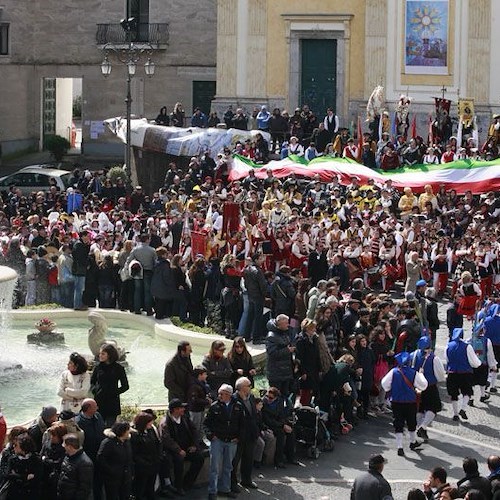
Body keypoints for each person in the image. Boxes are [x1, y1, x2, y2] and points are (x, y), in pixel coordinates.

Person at [381, 352, 428, 456]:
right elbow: (423, 386)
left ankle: (399, 446)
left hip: (396, 401)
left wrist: (391, 389)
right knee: (411, 422)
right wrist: (421, 374)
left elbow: (384, 384)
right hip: (410, 402)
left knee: (398, 423)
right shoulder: (413, 373)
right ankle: (412, 442)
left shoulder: (393, 372)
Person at [204, 384, 245, 500]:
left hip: (232, 441)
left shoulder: (238, 406)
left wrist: (239, 437)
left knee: (228, 467)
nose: (219, 396)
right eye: (219, 393)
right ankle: (212, 491)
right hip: (218, 441)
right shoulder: (214, 407)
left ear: (228, 394)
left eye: (222, 394)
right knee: (214, 468)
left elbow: (242, 424)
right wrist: (211, 436)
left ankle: (225, 489)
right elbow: (206, 424)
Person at [161, 399, 205, 494]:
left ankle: (188, 483)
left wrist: (194, 445)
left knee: (200, 458)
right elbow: (167, 440)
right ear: (175, 410)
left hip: (187, 447)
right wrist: (178, 450)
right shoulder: (165, 422)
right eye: (181, 408)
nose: (183, 409)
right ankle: (178, 486)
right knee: (179, 461)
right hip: (174, 450)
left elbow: (194, 431)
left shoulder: (185, 418)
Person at [410, 336, 446, 442]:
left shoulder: (414, 355)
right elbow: (440, 374)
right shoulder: (434, 358)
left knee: (420, 407)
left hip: (417, 386)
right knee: (433, 407)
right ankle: (423, 426)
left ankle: (419, 428)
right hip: (429, 386)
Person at [446, 328, 481, 421]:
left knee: (453, 394)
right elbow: (474, 362)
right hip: (465, 373)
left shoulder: (448, 346)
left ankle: (455, 414)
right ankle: (463, 408)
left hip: (452, 373)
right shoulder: (467, 347)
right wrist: (478, 363)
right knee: (467, 392)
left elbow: (447, 360)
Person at [231, 377, 259, 492]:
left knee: (249, 458)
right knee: (235, 461)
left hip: (251, 434)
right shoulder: (233, 399)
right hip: (239, 435)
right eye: (249, 385)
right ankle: (232, 483)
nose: (251, 388)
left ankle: (246, 480)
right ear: (242, 388)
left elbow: (254, 414)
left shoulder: (251, 397)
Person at [90, 343, 129, 426]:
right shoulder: (98, 367)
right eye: (100, 353)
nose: (100, 355)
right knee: (98, 426)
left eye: (103, 354)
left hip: (112, 402)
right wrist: (95, 391)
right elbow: (92, 382)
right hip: (99, 401)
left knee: (110, 427)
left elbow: (125, 386)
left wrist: (114, 392)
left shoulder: (119, 368)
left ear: (110, 355)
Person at [75, 398, 105, 500]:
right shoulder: (78, 423)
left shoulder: (98, 416)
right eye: (95, 406)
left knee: (99, 481)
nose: (98, 407)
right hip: (87, 457)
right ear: (88, 408)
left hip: (99, 455)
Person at [261, 386, 298, 468]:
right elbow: (267, 420)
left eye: (271, 398)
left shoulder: (279, 402)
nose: (268, 399)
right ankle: (278, 460)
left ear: (275, 398)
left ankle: (291, 457)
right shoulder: (264, 403)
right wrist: (282, 425)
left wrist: (285, 425)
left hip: (278, 422)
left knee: (291, 432)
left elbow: (281, 415)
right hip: (269, 424)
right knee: (280, 434)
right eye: (267, 396)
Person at [97, 421, 133, 500]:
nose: (129, 432)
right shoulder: (108, 443)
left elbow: (129, 459)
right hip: (112, 478)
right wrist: (111, 470)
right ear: (122, 431)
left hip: (125, 477)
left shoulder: (126, 442)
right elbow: (101, 458)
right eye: (127, 430)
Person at [130, 411, 162, 500]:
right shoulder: (134, 434)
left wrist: (158, 458)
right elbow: (134, 453)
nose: (151, 424)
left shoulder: (150, 431)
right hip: (143, 467)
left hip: (153, 463)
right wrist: (144, 462)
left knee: (150, 487)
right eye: (149, 422)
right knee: (140, 488)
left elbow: (157, 443)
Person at [2, 433, 43, 500]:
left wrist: (16, 475)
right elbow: (8, 475)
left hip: (30, 493)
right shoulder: (13, 459)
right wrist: (25, 477)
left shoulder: (36, 459)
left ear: (24, 447)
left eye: (16, 445)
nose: (13, 447)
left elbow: (38, 476)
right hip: (15, 493)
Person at [266, 314, 295, 398]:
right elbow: (272, 353)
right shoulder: (271, 336)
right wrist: (287, 350)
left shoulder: (285, 332)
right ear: (279, 324)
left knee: (285, 396)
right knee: (275, 396)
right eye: (286, 323)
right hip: (276, 374)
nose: (288, 325)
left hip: (285, 372)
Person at [57, 433, 94, 500]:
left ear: (70, 447)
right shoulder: (67, 456)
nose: (63, 447)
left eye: (64, 445)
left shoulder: (85, 463)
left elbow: (84, 488)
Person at [295, 318, 321, 406]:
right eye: (312, 328)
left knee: (311, 390)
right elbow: (299, 357)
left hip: (313, 369)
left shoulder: (314, 339)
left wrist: (319, 368)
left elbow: (317, 355)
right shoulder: (301, 340)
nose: (314, 330)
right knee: (305, 391)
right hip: (306, 369)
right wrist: (303, 372)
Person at [243, 253, 269, 343]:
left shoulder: (247, 269)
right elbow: (263, 285)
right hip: (258, 296)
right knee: (258, 317)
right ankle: (256, 338)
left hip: (251, 295)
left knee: (250, 316)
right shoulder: (258, 271)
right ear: (256, 260)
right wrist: (265, 295)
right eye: (261, 258)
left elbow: (246, 284)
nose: (262, 260)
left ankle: (247, 336)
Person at [40, 423, 67, 500]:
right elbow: (41, 455)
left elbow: (59, 463)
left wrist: (46, 460)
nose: (51, 437)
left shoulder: (64, 448)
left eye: (54, 436)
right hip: (45, 476)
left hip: (57, 479)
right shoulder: (47, 443)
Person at [72, 230, 90, 311]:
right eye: (86, 236)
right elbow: (81, 257)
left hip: (79, 269)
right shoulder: (79, 245)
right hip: (79, 269)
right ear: (82, 236)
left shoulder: (81, 244)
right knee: (79, 288)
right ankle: (77, 305)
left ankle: (78, 304)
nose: (88, 237)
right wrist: (87, 264)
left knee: (80, 288)